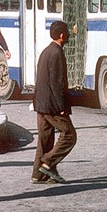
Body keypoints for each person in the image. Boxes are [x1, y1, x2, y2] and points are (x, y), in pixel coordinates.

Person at [31, 21, 76, 185]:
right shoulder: (57, 53)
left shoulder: (46, 51)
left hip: (41, 104)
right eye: (67, 33)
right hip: (52, 105)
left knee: (45, 139)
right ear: (62, 35)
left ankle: (38, 174)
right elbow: (57, 83)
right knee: (69, 135)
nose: (69, 36)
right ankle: (48, 164)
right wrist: (62, 107)